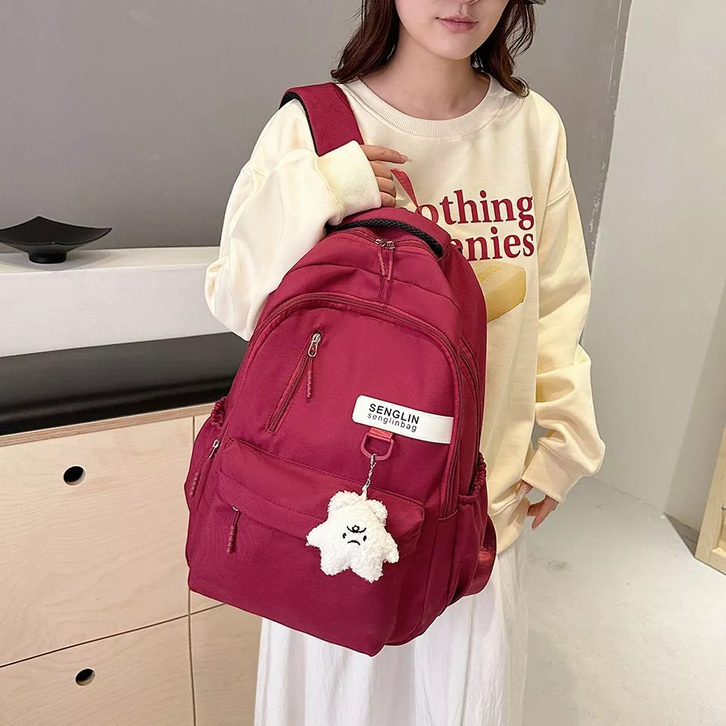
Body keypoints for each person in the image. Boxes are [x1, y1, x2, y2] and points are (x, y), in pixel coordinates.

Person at [204, 1, 606, 724]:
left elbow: (554, 302)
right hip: (332, 516)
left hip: (475, 507)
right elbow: (238, 300)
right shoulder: (314, 128)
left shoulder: (532, 128)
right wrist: (328, 189)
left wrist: (566, 433)